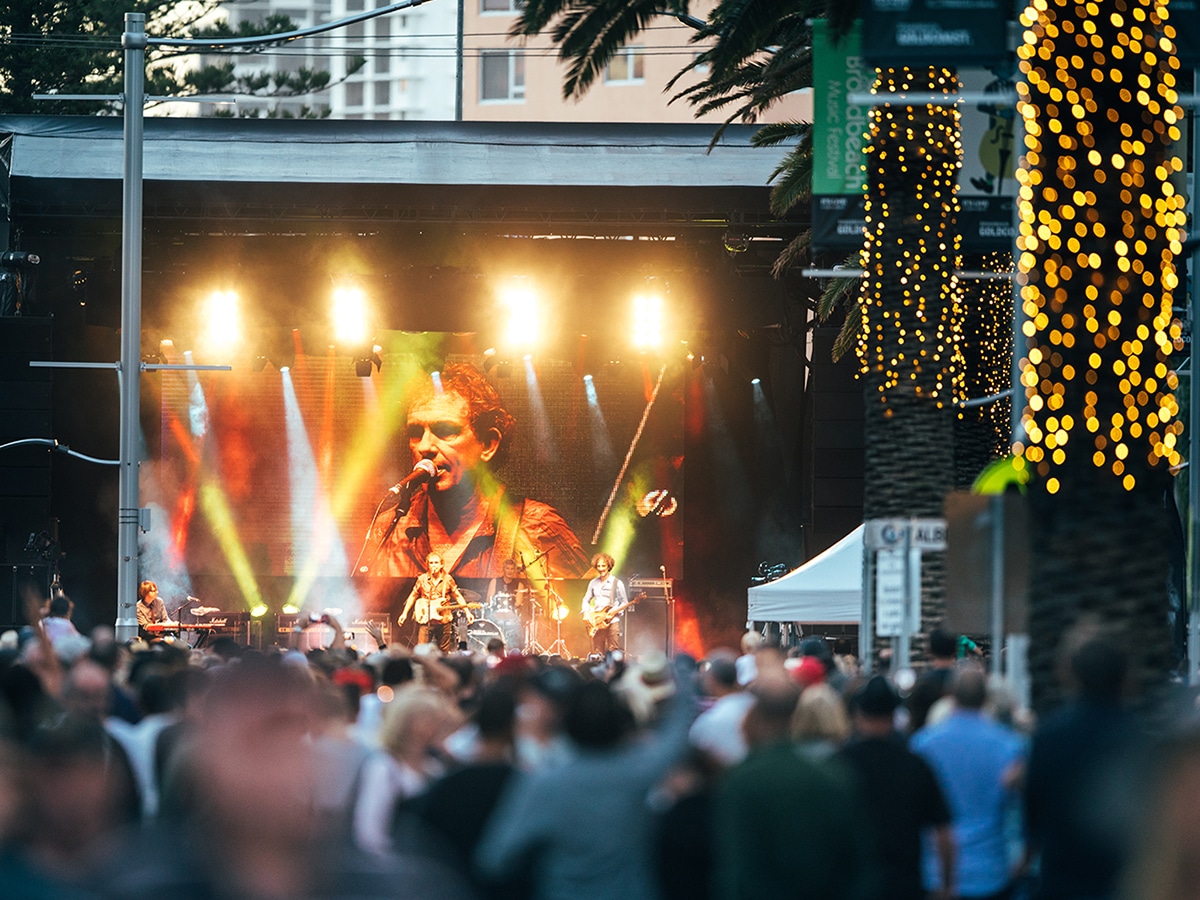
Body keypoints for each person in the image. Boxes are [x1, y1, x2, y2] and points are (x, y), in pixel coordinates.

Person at [364, 362, 590, 581]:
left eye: (444, 430)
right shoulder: (389, 530)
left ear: (488, 445)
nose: (424, 446)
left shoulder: (539, 528)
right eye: (415, 432)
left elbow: (582, 613)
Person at [911, 665, 1025, 900]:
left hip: (935, 871)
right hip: (991, 870)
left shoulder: (922, 745)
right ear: (986, 697)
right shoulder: (1009, 745)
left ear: (950, 694)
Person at [398, 553, 473, 653]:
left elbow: (458, 596)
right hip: (426, 621)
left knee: (443, 653)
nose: (434, 565)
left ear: (441, 565)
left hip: (444, 621)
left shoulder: (448, 579)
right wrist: (404, 613)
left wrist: (467, 612)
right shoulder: (422, 579)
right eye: (431, 563)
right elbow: (413, 595)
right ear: (428, 565)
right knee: (421, 652)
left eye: (436, 563)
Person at [581, 552, 628, 656]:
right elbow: (586, 599)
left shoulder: (617, 583)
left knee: (613, 651)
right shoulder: (593, 583)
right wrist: (586, 612)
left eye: (603, 566)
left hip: (612, 621)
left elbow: (624, 602)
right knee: (598, 652)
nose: (601, 569)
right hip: (597, 622)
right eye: (598, 566)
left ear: (609, 566)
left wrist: (615, 612)